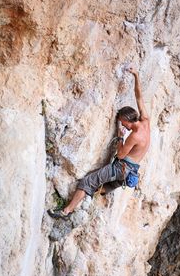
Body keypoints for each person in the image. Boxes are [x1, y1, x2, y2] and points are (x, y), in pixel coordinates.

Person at [48, 68, 150, 220]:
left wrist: (120, 136)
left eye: (123, 123)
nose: (123, 126)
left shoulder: (134, 136)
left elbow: (121, 154)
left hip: (121, 169)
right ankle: (87, 200)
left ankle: (65, 212)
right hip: (131, 172)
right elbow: (139, 97)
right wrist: (136, 75)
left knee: (88, 181)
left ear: (128, 120)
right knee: (102, 186)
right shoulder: (145, 121)